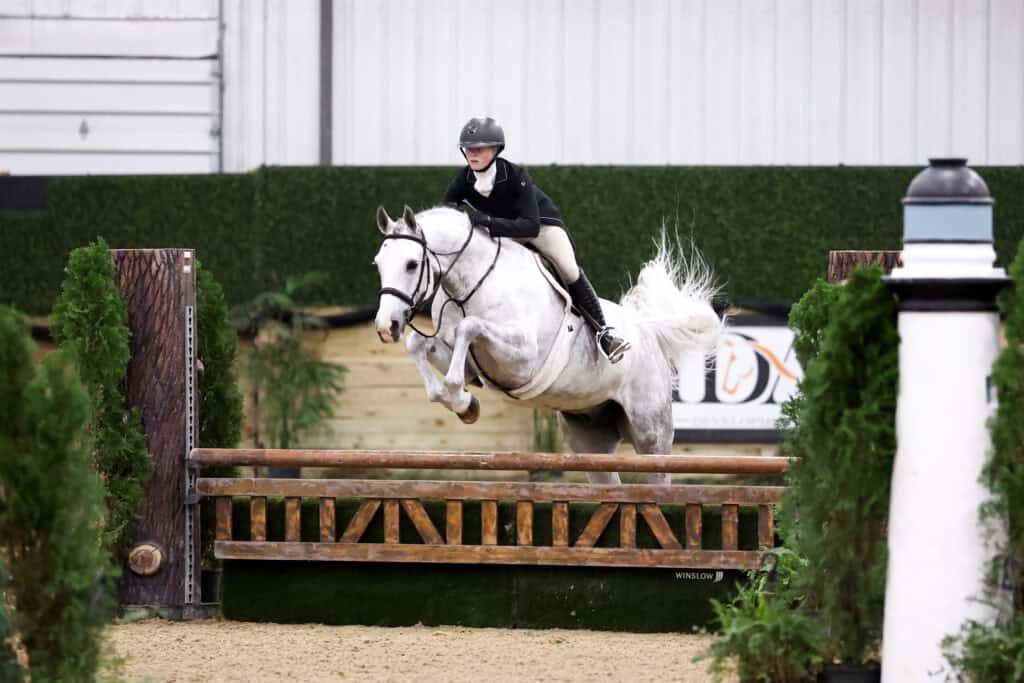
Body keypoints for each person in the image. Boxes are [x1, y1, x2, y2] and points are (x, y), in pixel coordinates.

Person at [443, 116, 630, 364]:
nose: (472, 154)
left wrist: (486, 222)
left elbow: (529, 226)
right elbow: (448, 211)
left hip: (541, 228)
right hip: (501, 233)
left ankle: (605, 334)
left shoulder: (515, 175)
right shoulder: (463, 179)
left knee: (569, 268)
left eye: (479, 149)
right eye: (468, 149)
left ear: (495, 150)